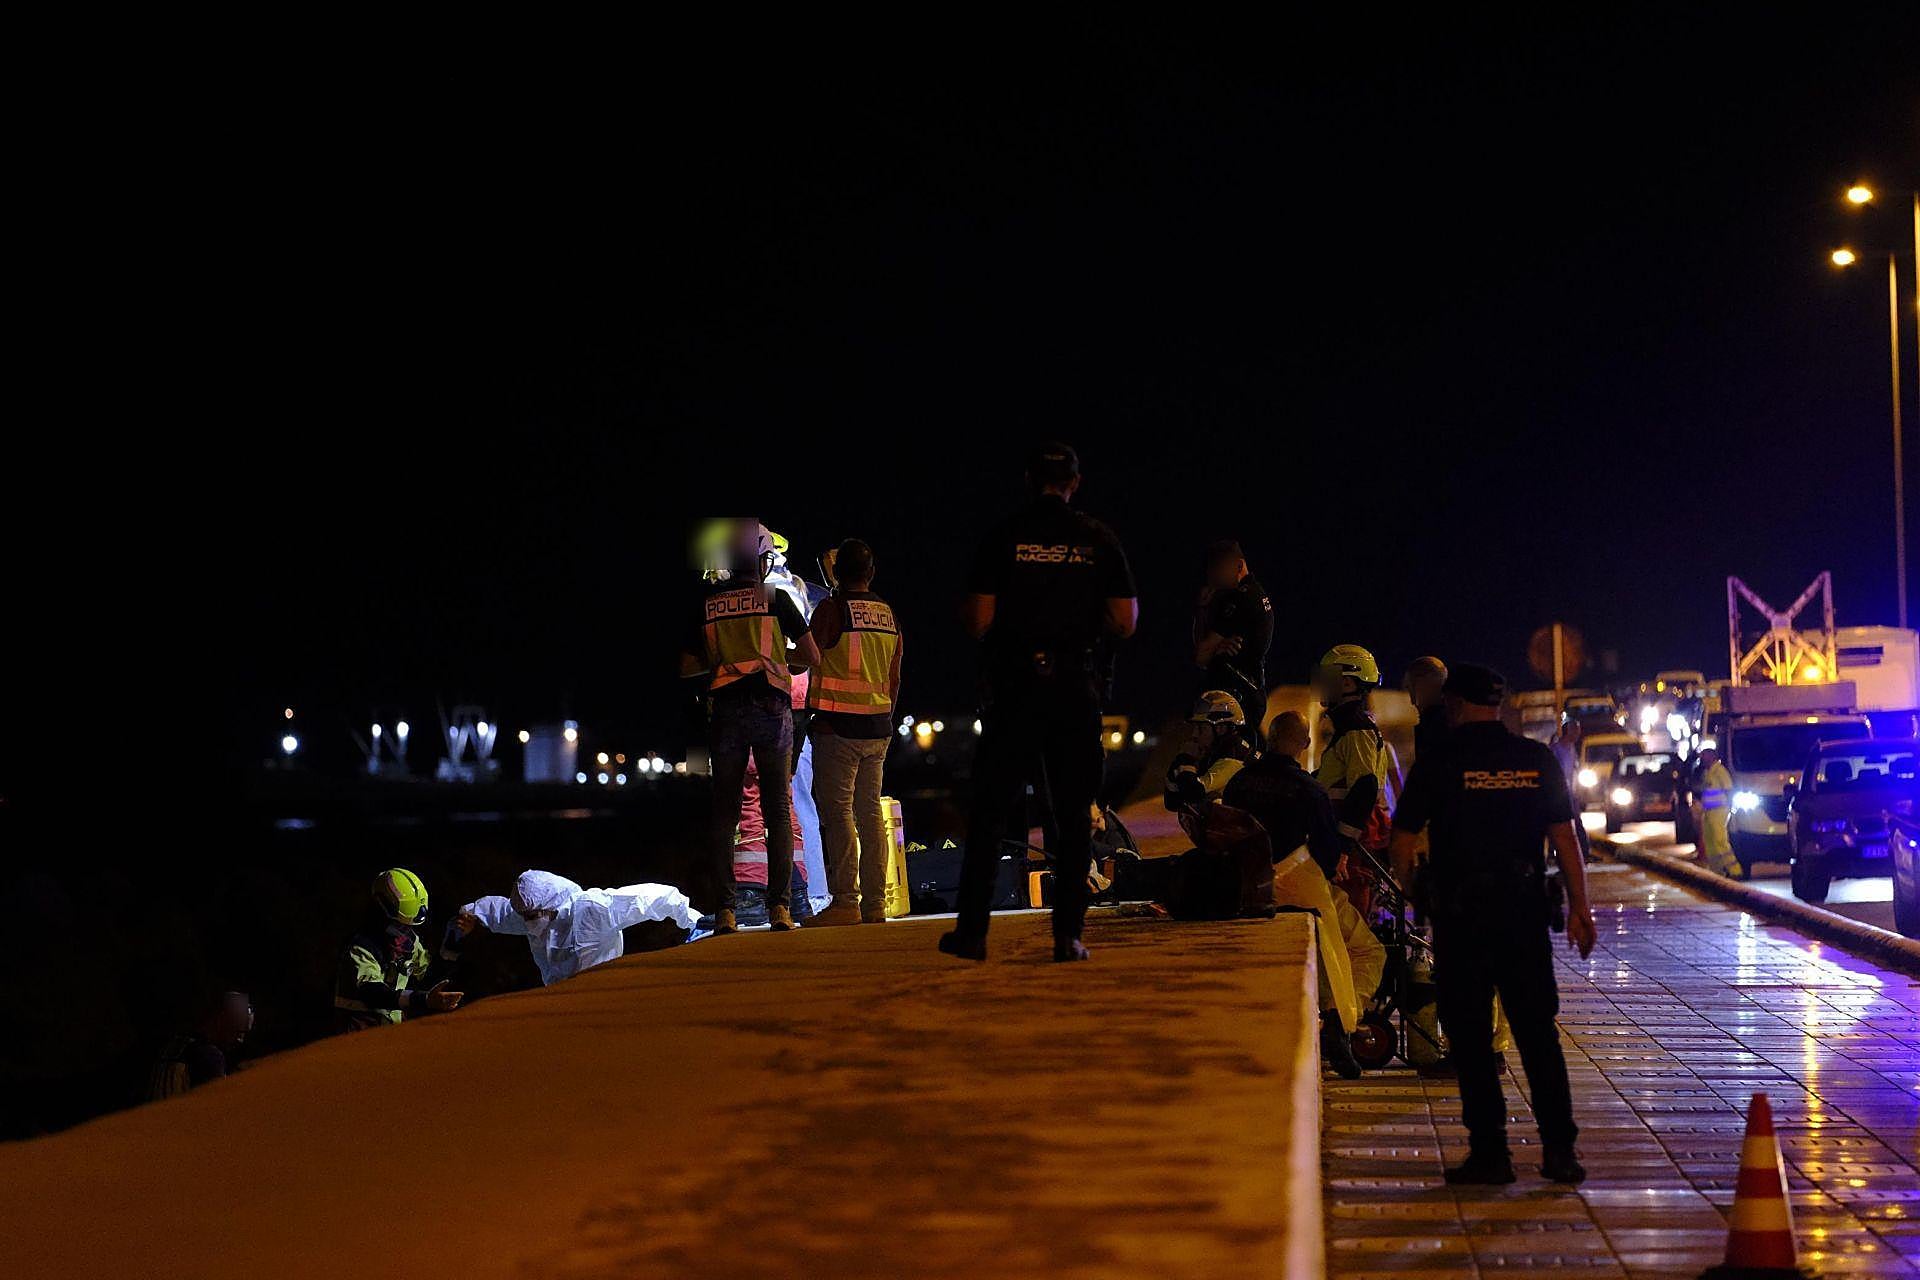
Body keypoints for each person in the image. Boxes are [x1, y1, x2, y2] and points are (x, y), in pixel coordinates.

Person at [1388, 664, 1596, 1186]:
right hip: (1523, 914)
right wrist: (1581, 909)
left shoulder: (1439, 761)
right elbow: (1565, 838)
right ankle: (1560, 1153)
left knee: (1472, 1039)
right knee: (1538, 1035)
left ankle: (1491, 1154)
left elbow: (1403, 841)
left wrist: (1414, 892)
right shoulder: (1535, 759)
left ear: (1455, 704)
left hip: (1462, 920)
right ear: (1498, 705)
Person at [942, 441, 1138, 963]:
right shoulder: (1098, 539)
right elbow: (1126, 621)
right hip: (1076, 688)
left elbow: (979, 619)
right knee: (1073, 814)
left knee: (991, 811)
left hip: (1015, 689)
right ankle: (1068, 936)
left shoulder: (1003, 536)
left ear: (1029, 481)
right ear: (1075, 483)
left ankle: (973, 934)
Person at [1224, 710, 1383, 1078]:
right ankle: (1339, 1026)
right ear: (1305, 743)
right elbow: (1327, 851)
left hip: (1246, 883)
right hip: (1297, 881)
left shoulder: (1239, 783)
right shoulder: (1309, 790)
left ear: (1269, 738)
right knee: (1340, 950)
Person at [683, 519, 822, 934]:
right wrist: (776, 660)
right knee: (778, 808)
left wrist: (724, 662)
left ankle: (729, 909)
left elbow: (686, 666)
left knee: (727, 812)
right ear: (764, 560)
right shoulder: (778, 596)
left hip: (727, 713)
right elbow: (811, 656)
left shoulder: (708, 603)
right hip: (774, 711)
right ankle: (783, 906)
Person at [807, 538, 904, 926]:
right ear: (871, 573)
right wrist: (883, 715)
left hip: (837, 728)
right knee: (869, 814)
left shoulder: (831, 610)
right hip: (877, 728)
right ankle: (875, 904)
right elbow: (895, 677)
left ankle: (846, 901)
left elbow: (803, 658)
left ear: (835, 573)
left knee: (839, 814)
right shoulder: (888, 614)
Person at [446, 870, 702, 985]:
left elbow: (653, 898)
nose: (526, 921)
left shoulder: (593, 908)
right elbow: (499, 910)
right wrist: (471, 915)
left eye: (531, 915)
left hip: (604, 994)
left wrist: (694, 922)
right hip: (558, 1000)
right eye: (523, 915)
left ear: (551, 904)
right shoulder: (531, 918)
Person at [335, 868, 463, 1033]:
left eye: (409, 926)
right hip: (358, 1033)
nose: (405, 932)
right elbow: (371, 992)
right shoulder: (361, 947)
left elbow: (429, 978)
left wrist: (453, 941)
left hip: (391, 1031)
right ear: (381, 913)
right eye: (400, 924)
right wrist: (421, 999)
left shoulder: (409, 941)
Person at [1193, 540, 1273, 750]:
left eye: (1218, 571)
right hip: (1247, 693)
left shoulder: (1240, 600)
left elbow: (1200, 655)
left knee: (1227, 760)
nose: (1214, 580)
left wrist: (1202, 612)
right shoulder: (1254, 594)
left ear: (1238, 566)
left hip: (1235, 701)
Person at [1313, 644, 1393, 847]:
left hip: (1353, 844)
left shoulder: (1356, 728)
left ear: (1347, 683)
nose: (1321, 684)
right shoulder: (1347, 726)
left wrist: (1344, 845)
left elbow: (1365, 787)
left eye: (1328, 678)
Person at [148, 990, 253, 1100]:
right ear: (221, 1019)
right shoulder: (209, 1056)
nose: (238, 1041)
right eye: (237, 1032)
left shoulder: (173, 1045)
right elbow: (216, 1104)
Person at [1163, 691, 1255, 809]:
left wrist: (1186, 759)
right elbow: (1173, 803)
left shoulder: (1234, 758)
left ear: (1221, 728)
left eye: (1201, 728)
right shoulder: (1215, 751)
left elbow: (1193, 794)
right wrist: (1179, 763)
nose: (1194, 734)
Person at [1550, 717, 1593, 862]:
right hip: (1559, 794)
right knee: (1560, 823)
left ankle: (1584, 853)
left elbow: (1574, 770)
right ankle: (1557, 855)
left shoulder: (1572, 748)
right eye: (1576, 730)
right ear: (1568, 731)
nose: (1578, 734)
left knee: (1576, 822)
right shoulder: (1556, 749)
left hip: (1570, 793)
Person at [1697, 745, 1739, 878]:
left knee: (1720, 840)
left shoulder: (1720, 771)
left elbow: (1729, 789)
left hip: (1719, 811)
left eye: (1704, 756)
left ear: (1711, 757)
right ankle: (1717, 870)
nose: (1701, 759)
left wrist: (1730, 808)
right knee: (1710, 841)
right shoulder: (1708, 772)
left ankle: (1734, 870)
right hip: (1709, 811)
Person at [1404, 656, 1450, 762]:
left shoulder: (1434, 728)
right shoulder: (1454, 721)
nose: (1412, 702)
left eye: (1410, 688)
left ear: (1421, 686)